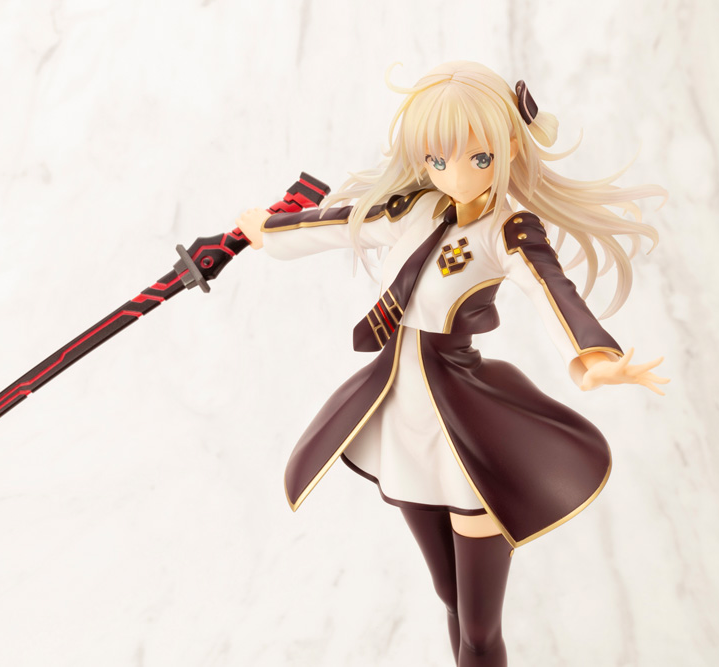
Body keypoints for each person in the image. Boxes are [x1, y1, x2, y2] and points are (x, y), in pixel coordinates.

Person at [234, 61, 668, 666]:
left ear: (508, 145)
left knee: (481, 630)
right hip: (400, 420)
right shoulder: (413, 210)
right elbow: (342, 222)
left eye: (478, 157)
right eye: (438, 160)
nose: (455, 174)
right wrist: (269, 230)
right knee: (450, 598)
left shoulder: (507, 231)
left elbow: (553, 289)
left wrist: (592, 356)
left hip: (467, 426)